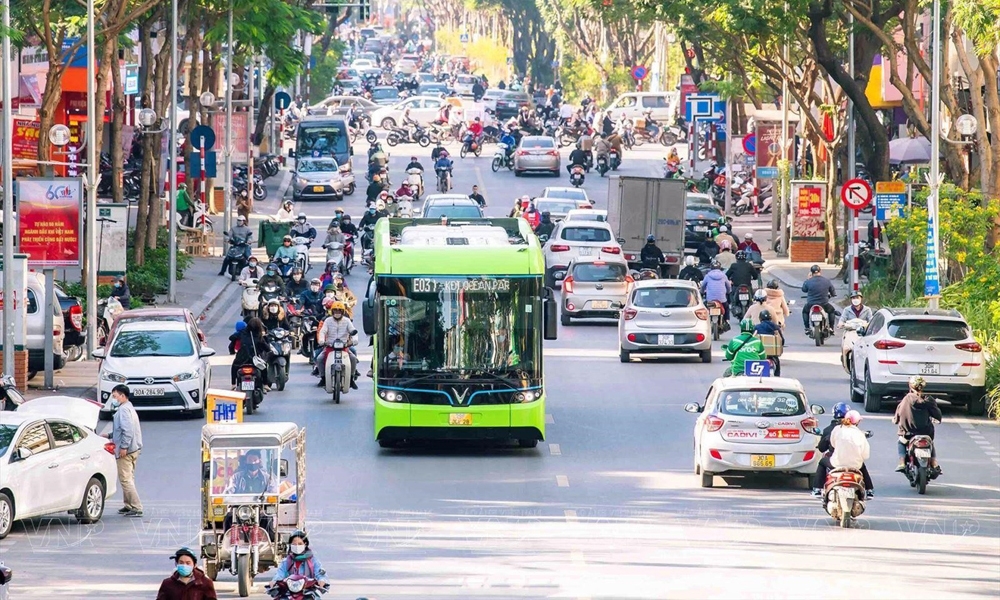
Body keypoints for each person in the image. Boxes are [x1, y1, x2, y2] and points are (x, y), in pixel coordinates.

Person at [812, 404, 874, 498]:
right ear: (857, 422)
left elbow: (832, 444)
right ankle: (869, 490)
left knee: (822, 462)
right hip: (855, 465)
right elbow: (866, 455)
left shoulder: (837, 429)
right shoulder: (860, 433)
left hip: (837, 463)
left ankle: (817, 489)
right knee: (863, 466)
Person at [893, 376, 943, 473]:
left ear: (910, 386)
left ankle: (902, 462)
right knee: (930, 443)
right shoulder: (929, 399)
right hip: (926, 433)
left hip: (908, 434)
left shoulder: (906, 399)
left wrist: (896, 420)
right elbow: (937, 414)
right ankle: (934, 463)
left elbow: (899, 412)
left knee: (901, 442)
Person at [108, 384, 143, 517]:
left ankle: (136, 506)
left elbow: (127, 430)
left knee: (125, 479)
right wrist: (110, 436)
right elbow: (122, 429)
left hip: (127, 451)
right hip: (134, 448)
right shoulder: (129, 407)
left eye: (115, 396)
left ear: (122, 396)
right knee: (129, 478)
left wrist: (123, 447)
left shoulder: (123, 410)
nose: (114, 399)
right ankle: (128, 505)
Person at [315, 300, 359, 389]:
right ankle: (323, 378)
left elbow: (353, 331)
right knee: (319, 359)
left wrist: (354, 340)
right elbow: (323, 331)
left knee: (353, 359)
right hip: (330, 346)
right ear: (332, 311)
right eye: (335, 311)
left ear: (343, 312)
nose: (337, 313)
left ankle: (351, 379)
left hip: (344, 347)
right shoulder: (327, 321)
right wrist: (321, 340)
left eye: (339, 311)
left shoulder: (347, 321)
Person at [231, 317, 269, 389]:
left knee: (234, 366)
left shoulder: (242, 333)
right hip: (254, 360)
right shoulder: (259, 336)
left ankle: (233, 384)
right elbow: (267, 348)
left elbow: (231, 337)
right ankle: (265, 384)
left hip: (241, 359)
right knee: (264, 367)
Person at [801, 264, 837, 331]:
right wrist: (833, 294)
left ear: (811, 273)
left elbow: (804, 289)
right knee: (832, 311)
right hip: (824, 303)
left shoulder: (808, 281)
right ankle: (831, 328)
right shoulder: (826, 281)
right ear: (820, 271)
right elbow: (833, 291)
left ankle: (807, 327)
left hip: (811, 303)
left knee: (805, 312)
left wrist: (807, 279)